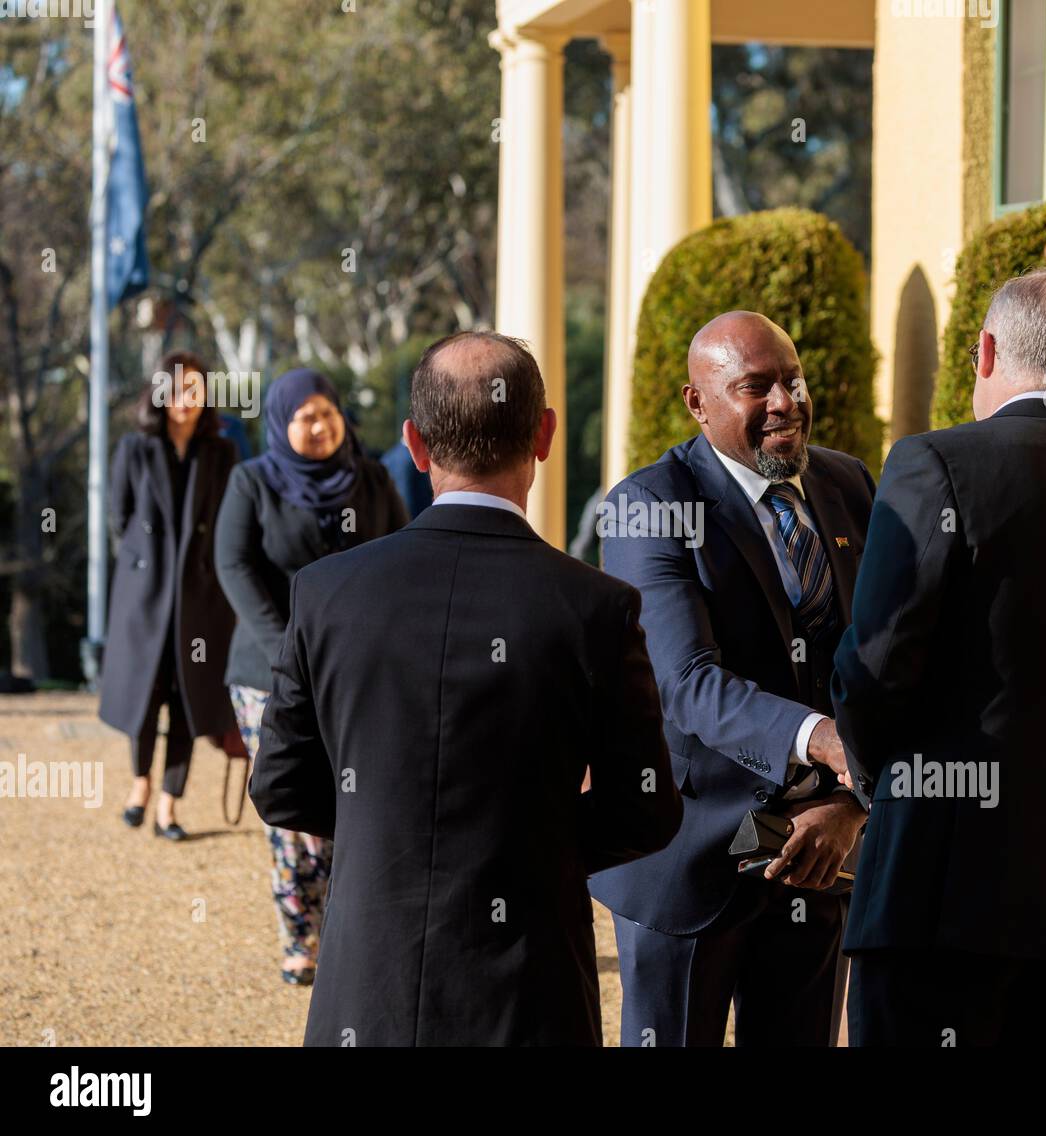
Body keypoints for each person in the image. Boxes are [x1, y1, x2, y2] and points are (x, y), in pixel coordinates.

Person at [249, 331, 680, 1046]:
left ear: (416, 446)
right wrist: (527, 839)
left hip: (368, 975)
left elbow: (282, 786)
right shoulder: (597, 606)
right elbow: (646, 807)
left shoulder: (326, 593)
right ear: (543, 435)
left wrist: (391, 825)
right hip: (527, 985)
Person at [832, 265, 1046, 1046]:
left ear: (984, 352)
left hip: (941, 897)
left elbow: (876, 669)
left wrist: (862, 776)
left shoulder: (933, 464)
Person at [590, 311, 873, 1047]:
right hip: (691, 858)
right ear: (698, 402)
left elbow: (884, 664)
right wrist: (825, 741)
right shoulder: (648, 508)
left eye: (792, 379)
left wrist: (849, 803)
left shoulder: (849, 485)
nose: (785, 401)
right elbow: (686, 681)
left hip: (817, 857)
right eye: (756, 387)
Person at [215, 369, 407, 986]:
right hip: (269, 673)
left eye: (327, 413)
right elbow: (234, 565)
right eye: (305, 417)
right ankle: (303, 935)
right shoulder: (252, 482)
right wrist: (286, 654)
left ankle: (358, 932)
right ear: (281, 423)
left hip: (358, 669)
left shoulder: (372, 478)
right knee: (296, 803)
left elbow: (405, 554)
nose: (319, 426)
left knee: (362, 801)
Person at [99, 352, 238, 841]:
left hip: (200, 595)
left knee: (188, 697)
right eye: (177, 390)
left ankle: (169, 805)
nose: (186, 400)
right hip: (145, 594)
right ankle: (140, 784)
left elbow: (229, 523)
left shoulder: (222, 452)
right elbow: (120, 517)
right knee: (145, 693)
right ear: (160, 394)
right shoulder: (136, 448)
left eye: (196, 389)